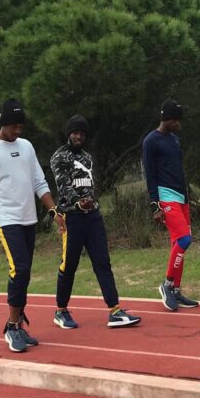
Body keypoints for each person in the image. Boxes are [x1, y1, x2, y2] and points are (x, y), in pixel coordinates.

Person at [0, 98, 57, 354]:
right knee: (19, 269)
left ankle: (19, 324)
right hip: (5, 220)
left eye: (20, 126)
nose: (17, 131)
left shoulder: (27, 146)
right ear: (3, 123)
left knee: (25, 273)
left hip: (27, 218)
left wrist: (53, 210)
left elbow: (39, 182)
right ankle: (11, 327)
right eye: (13, 127)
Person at [49, 114, 141, 330]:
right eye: (75, 133)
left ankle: (115, 311)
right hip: (72, 218)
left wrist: (91, 203)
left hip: (93, 217)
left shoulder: (88, 157)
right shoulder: (59, 157)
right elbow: (63, 186)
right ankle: (61, 310)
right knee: (69, 265)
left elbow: (91, 185)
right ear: (68, 134)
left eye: (82, 133)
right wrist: (77, 202)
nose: (79, 136)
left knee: (102, 262)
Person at [142, 99, 199, 312]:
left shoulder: (175, 140)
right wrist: (155, 205)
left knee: (178, 243)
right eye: (175, 120)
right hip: (166, 197)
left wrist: (187, 196)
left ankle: (176, 289)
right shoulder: (151, 141)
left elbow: (178, 170)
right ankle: (166, 285)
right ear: (166, 118)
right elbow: (150, 175)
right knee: (185, 240)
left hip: (181, 197)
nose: (178, 124)